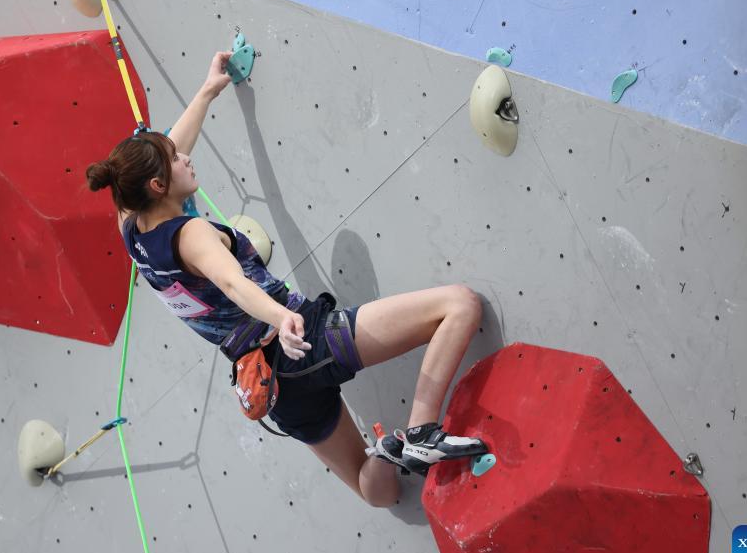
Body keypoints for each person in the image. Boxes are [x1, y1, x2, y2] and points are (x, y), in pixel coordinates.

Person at [86, 51, 489, 508]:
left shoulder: (132, 227)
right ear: (158, 185)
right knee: (460, 305)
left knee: (374, 489)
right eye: (177, 159)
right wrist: (283, 318)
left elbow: (163, 154)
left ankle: (386, 453)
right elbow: (234, 284)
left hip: (271, 386)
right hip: (300, 340)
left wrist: (208, 91)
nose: (186, 157)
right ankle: (420, 432)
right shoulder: (191, 234)